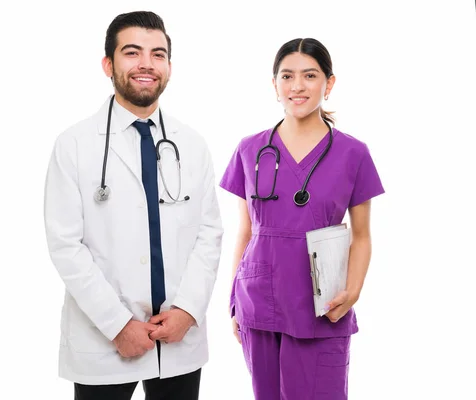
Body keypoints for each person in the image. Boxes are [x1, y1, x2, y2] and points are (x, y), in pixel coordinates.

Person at [43, 10, 223, 400]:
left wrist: (188, 311)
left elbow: (209, 235)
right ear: (108, 63)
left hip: (178, 337)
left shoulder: (191, 144)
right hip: (104, 338)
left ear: (170, 67)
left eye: (158, 54)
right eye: (132, 52)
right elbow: (65, 246)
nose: (146, 64)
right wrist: (117, 324)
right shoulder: (74, 145)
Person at [219, 38, 385, 399]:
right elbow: (246, 230)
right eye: (287, 76)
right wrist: (233, 299)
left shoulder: (353, 153)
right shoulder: (250, 149)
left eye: (310, 75)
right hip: (258, 302)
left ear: (329, 83)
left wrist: (353, 291)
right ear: (274, 84)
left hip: (322, 306)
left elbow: (362, 235)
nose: (297, 86)